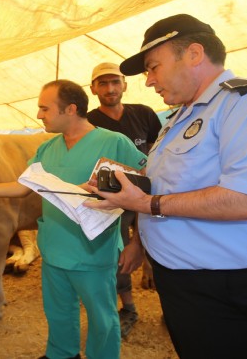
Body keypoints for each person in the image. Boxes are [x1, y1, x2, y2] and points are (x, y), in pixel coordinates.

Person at [84, 14, 247, 358]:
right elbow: (168, 181)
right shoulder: (182, 116)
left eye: (153, 67)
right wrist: (123, 191)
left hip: (228, 284)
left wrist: (147, 204)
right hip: (189, 280)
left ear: (194, 54)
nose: (149, 81)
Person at [0, 79, 147, 359]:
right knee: (59, 311)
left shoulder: (114, 142)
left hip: (92, 252)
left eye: (44, 108)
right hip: (54, 250)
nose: (39, 115)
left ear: (70, 109)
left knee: (102, 318)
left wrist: (137, 240)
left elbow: (146, 184)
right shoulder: (48, 149)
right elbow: (21, 186)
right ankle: (62, 354)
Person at [87, 62, 162, 338]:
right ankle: (129, 307)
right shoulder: (88, 122)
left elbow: (157, 149)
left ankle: (170, 306)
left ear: (124, 85)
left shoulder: (144, 114)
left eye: (115, 82)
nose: (110, 88)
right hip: (113, 201)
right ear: (93, 88)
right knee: (118, 254)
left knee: (161, 244)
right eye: (103, 83)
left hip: (149, 195)